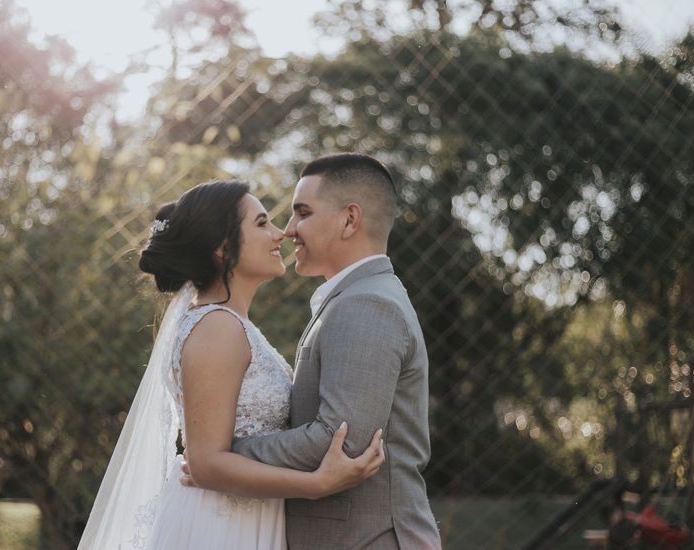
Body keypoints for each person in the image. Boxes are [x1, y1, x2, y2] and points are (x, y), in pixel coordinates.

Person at [78, 179, 385, 550]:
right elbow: (205, 463)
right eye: (261, 224)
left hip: (245, 517)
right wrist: (318, 483)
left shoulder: (228, 324)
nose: (280, 234)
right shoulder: (217, 328)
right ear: (223, 249)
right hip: (220, 526)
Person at [186, 154, 442, 549]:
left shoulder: (366, 305)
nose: (288, 231)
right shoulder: (351, 299)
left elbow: (338, 440)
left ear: (349, 220)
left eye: (301, 213)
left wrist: (222, 455)